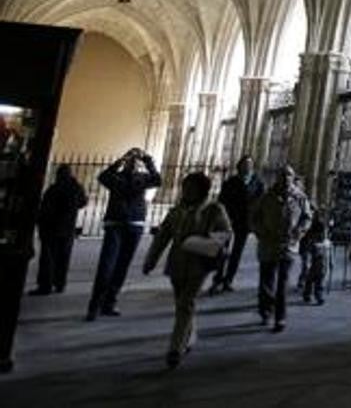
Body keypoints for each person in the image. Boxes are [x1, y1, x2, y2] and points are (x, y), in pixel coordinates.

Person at [142, 171, 232, 368]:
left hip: (199, 265)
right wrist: (151, 260)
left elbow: (225, 232)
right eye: (185, 187)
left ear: (202, 190)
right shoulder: (176, 211)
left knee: (186, 302)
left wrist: (207, 243)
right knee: (182, 304)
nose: (187, 191)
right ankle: (189, 336)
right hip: (177, 264)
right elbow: (162, 237)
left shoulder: (214, 209)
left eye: (191, 188)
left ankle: (175, 348)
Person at [86, 147, 161, 321]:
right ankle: (95, 305)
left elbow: (158, 180)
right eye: (130, 161)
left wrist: (148, 160)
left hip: (134, 224)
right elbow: (102, 176)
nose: (133, 164)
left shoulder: (142, 179)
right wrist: (121, 160)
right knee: (106, 266)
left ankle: (109, 303)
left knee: (122, 266)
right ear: (125, 164)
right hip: (116, 224)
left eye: (135, 162)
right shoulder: (116, 177)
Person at [251, 165, 310, 332]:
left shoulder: (300, 197)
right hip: (268, 244)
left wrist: (299, 232)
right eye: (282, 175)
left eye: (289, 175)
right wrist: (261, 232)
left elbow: (307, 217)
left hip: (288, 245)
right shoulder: (266, 197)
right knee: (267, 280)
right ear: (277, 177)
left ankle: (280, 317)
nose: (285, 178)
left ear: (293, 177)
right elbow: (254, 217)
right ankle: (265, 310)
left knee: (283, 283)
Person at [29, 165, 87, 295]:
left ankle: (45, 285)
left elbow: (45, 209)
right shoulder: (76, 188)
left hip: (51, 228)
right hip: (68, 228)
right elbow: (83, 202)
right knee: (63, 258)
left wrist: (40, 222)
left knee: (48, 258)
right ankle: (60, 284)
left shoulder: (54, 189)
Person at [209, 155, 263, 294]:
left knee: (236, 253)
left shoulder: (258, 183)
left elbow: (260, 202)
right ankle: (217, 279)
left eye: (250, 164)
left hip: (245, 221)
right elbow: (222, 200)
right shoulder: (231, 181)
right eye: (245, 164)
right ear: (239, 166)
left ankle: (229, 280)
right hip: (228, 219)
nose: (247, 167)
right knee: (221, 251)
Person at [299, 205, 329, 305]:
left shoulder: (321, 223)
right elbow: (303, 236)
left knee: (317, 272)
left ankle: (314, 294)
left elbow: (323, 237)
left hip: (317, 249)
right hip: (308, 247)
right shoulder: (306, 221)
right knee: (309, 270)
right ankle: (309, 293)